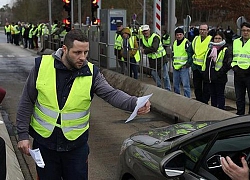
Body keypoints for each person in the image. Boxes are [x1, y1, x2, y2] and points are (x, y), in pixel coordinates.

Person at [16, 29, 151, 180]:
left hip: (75, 147)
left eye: (86, 52)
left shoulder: (91, 73)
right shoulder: (42, 66)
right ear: (65, 49)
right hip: (45, 145)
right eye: (77, 52)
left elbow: (111, 94)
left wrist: (134, 103)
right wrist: (22, 135)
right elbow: (26, 100)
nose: (83, 57)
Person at [202, 31, 231, 109]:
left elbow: (227, 65)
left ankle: (220, 111)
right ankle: (213, 110)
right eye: (216, 38)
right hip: (210, 77)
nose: (217, 40)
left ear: (222, 39)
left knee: (220, 95)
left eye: (219, 38)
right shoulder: (210, 49)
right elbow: (207, 62)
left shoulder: (225, 50)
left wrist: (218, 73)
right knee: (213, 95)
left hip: (220, 78)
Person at [140, 24, 171, 91]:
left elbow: (154, 48)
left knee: (165, 75)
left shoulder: (155, 37)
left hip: (161, 58)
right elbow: (144, 46)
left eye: (146, 31)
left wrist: (145, 51)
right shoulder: (143, 38)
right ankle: (159, 86)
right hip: (152, 59)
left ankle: (167, 89)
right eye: (144, 31)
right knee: (153, 74)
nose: (145, 32)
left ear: (149, 30)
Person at [187, 23, 212, 104]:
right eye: (201, 29)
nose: (202, 31)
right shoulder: (195, 39)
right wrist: (191, 63)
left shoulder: (211, 40)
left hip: (205, 68)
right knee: (197, 87)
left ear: (207, 31)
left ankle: (205, 102)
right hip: (196, 67)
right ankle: (198, 101)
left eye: (204, 30)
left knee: (206, 87)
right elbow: (190, 51)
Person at [231, 22, 250, 115]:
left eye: (248, 30)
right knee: (239, 97)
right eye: (244, 30)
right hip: (238, 73)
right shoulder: (236, 42)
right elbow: (233, 56)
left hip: (249, 74)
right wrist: (234, 67)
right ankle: (240, 116)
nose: (245, 32)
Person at [172, 27, 191, 98]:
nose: (179, 36)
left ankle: (187, 99)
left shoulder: (186, 42)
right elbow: (173, 54)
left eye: (180, 34)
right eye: (177, 35)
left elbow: (190, 54)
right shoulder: (174, 43)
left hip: (184, 67)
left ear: (183, 35)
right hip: (175, 67)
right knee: (175, 85)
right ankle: (177, 98)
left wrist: (187, 64)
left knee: (185, 85)